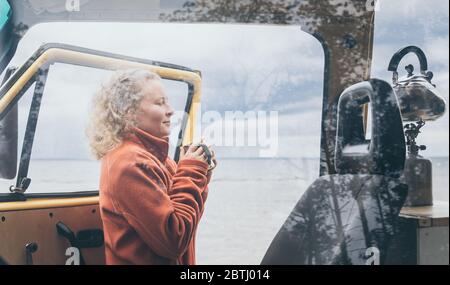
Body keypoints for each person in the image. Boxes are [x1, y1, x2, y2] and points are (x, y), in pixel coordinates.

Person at [86, 69, 216, 265]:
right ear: (129, 112)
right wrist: (191, 171)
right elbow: (174, 240)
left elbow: (186, 221)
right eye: (159, 103)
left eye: (167, 102)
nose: (171, 110)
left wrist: (199, 172)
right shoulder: (130, 162)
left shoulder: (156, 158)